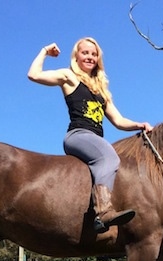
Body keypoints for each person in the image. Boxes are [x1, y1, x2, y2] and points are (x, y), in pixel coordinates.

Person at [27, 37, 153, 233]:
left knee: (111, 158)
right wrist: (44, 51)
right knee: (109, 157)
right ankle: (102, 212)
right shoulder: (69, 77)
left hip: (95, 139)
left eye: (94, 54)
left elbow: (118, 120)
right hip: (78, 135)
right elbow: (33, 75)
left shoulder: (101, 89)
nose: (90, 57)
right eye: (85, 53)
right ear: (76, 56)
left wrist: (139, 124)